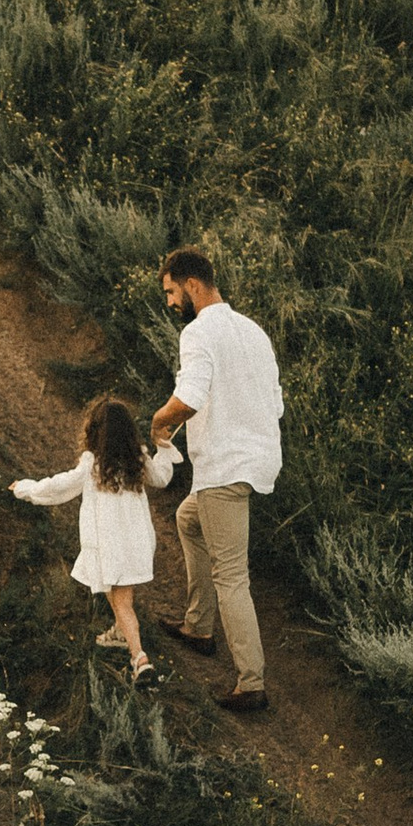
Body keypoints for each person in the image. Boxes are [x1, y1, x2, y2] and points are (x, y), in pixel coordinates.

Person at [149, 246, 280, 715]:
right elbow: (275, 402)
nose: (169, 304)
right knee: (188, 521)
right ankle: (199, 626)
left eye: (170, 292)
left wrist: (159, 423)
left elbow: (189, 396)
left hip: (225, 468)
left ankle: (251, 683)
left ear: (191, 284)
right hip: (255, 460)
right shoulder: (253, 331)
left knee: (231, 574)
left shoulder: (200, 332)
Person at [12, 395, 178, 687]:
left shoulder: (92, 464)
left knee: (121, 601)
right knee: (120, 595)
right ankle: (118, 633)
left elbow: (59, 486)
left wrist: (26, 489)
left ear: (94, 430)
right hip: (137, 541)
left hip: (108, 546)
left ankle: (140, 659)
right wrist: (162, 447)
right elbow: (162, 478)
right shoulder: (138, 457)